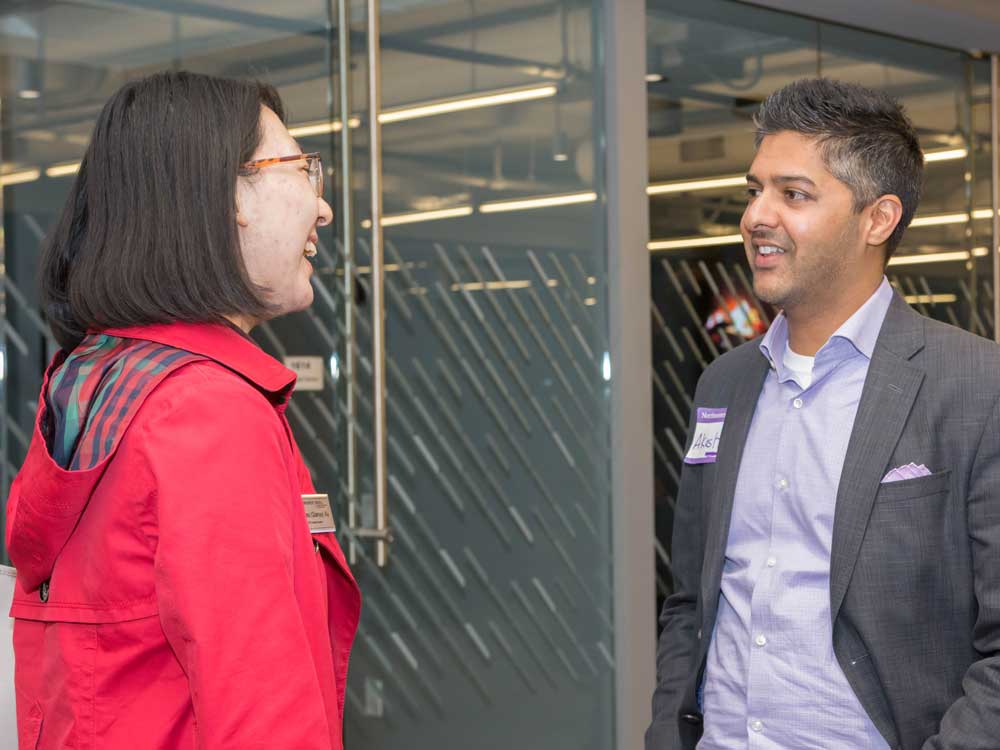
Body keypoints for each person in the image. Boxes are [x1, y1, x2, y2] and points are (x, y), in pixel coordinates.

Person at [5, 71, 360, 750]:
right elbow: (263, 720)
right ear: (227, 194)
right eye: (299, 167)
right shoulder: (207, 413)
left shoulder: (100, 382)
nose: (323, 209)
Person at [646, 77, 1000, 749]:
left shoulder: (977, 386)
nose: (756, 216)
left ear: (878, 218)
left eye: (794, 194)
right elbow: (691, 600)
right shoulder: (723, 385)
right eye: (755, 190)